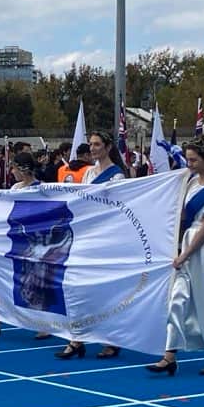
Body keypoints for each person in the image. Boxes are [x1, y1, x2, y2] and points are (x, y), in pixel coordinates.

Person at [146, 135, 204, 376]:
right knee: (177, 297)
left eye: (194, 160)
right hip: (188, 243)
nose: (189, 164)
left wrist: (183, 254)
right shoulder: (191, 180)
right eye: (188, 159)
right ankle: (169, 355)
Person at [56, 131, 128, 360]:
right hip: (85, 236)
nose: (93, 148)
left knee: (105, 291)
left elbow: (118, 209)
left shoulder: (117, 177)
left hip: (106, 239)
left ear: (107, 147)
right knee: (77, 288)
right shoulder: (87, 173)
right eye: (91, 144)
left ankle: (111, 339)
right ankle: (77, 337)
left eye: (97, 144)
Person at [0, 152, 49, 340]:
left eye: (14, 168)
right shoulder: (16, 187)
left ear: (22, 169)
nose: (11, 171)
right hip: (14, 240)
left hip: (33, 243)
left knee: (37, 284)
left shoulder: (40, 189)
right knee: (5, 280)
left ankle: (45, 324)